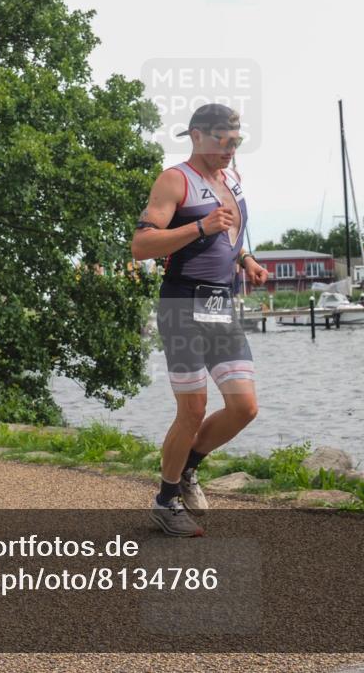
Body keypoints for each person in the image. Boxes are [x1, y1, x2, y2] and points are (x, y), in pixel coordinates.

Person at [131, 104, 269, 537]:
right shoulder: (175, 180)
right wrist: (201, 227)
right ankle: (165, 501)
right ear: (196, 136)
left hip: (218, 303)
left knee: (244, 407)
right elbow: (141, 245)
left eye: (236, 141)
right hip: (181, 302)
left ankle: (188, 468)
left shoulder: (232, 178)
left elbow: (230, 234)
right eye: (222, 140)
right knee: (192, 410)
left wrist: (246, 260)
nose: (230, 149)